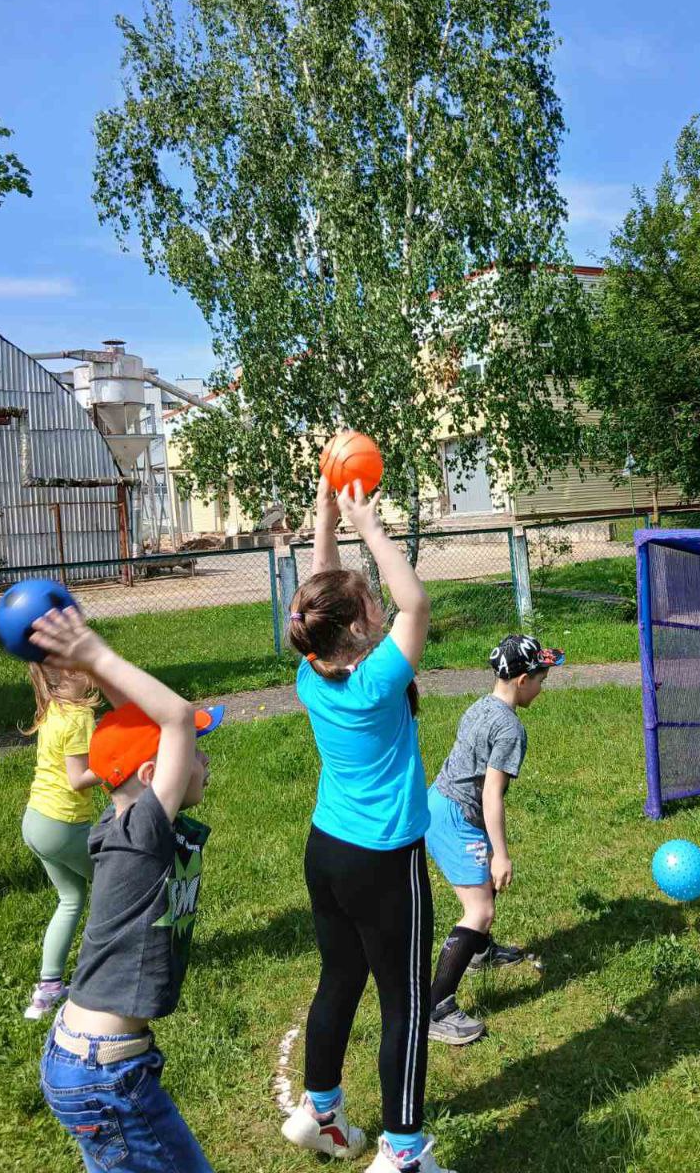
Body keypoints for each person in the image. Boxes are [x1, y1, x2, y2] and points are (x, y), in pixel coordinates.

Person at [281, 475, 455, 1173]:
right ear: (357, 627)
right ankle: (404, 1154)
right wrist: (369, 526)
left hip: (327, 851)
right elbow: (417, 603)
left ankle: (321, 1112)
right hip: (384, 862)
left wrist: (326, 520)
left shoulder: (311, 670)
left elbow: (321, 598)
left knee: (339, 976)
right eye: (368, 603)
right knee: (406, 1004)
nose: (380, 603)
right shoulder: (378, 680)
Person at [32, 605, 224, 1172]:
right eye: (194, 752)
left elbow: (144, 728)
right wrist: (95, 653)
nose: (202, 758)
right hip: (104, 1075)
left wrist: (94, 672)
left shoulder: (120, 823)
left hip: (90, 1061)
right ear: (152, 777)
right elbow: (176, 719)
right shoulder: (143, 834)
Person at [425, 633, 564, 1044]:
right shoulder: (510, 730)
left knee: (484, 883)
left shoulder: (480, 706)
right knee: (480, 910)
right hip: (456, 817)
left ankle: (480, 953)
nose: (542, 688)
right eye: (541, 680)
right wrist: (500, 853)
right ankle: (435, 1009)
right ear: (522, 680)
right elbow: (491, 794)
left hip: (441, 802)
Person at [20, 662, 100, 1020]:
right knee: (114, 884)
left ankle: (48, 987)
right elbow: (78, 778)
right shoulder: (79, 716)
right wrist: (119, 764)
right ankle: (110, 969)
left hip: (36, 821)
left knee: (71, 898)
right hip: (64, 826)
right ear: (69, 674)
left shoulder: (53, 708)